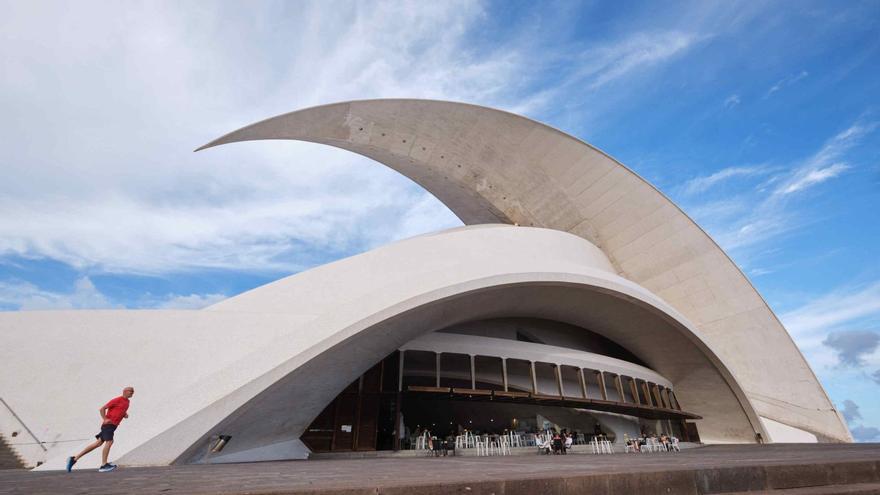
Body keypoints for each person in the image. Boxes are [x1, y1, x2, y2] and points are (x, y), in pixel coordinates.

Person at [66, 387, 134, 473]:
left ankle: (74, 459)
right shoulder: (117, 399)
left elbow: (119, 409)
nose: (132, 393)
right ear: (124, 392)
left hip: (113, 426)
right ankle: (103, 465)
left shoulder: (127, 402)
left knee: (98, 443)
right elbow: (102, 409)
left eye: (133, 391)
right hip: (108, 425)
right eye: (131, 391)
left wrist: (124, 414)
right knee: (109, 441)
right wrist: (105, 419)